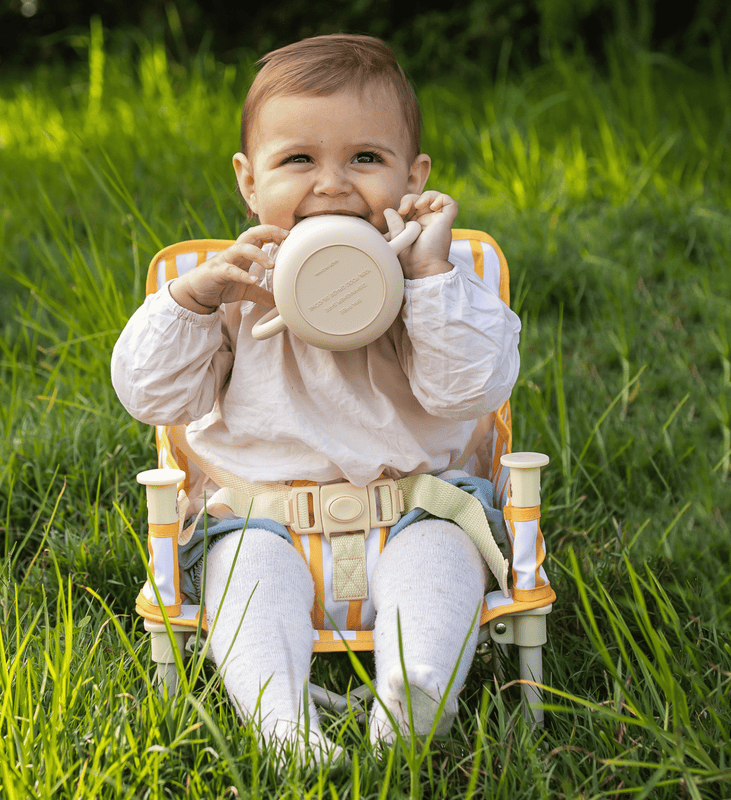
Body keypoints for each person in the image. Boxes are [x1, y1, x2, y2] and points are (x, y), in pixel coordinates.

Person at [112, 33, 520, 762]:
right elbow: (150, 396)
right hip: (260, 526)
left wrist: (425, 281)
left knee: (443, 557)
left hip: (413, 511)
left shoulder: (444, 278)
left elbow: (473, 389)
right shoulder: (229, 288)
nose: (332, 184)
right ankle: (279, 717)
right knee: (245, 578)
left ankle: (416, 689)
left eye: (366, 158)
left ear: (413, 175)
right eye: (298, 159)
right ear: (248, 182)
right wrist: (193, 301)